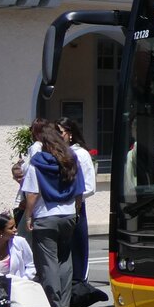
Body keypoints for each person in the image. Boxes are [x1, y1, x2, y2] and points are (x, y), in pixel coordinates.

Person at [20, 119, 84, 307]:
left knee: (48, 261)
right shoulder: (71, 160)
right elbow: (79, 191)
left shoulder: (36, 163)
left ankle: (53, 303)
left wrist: (29, 216)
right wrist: (77, 211)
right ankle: (64, 302)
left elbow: (32, 193)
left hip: (45, 215)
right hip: (68, 214)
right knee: (65, 258)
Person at [57, 117, 96, 288]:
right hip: (58, 209)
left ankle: (79, 283)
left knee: (78, 249)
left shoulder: (80, 154)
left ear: (70, 134)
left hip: (76, 207)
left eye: (61, 132)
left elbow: (89, 186)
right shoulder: (55, 154)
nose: (57, 136)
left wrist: (71, 197)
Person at [0, 211, 36, 281]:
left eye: (15, 226)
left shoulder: (19, 242)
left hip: (17, 288)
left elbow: (31, 265)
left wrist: (23, 280)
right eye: (11, 228)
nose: (15, 230)